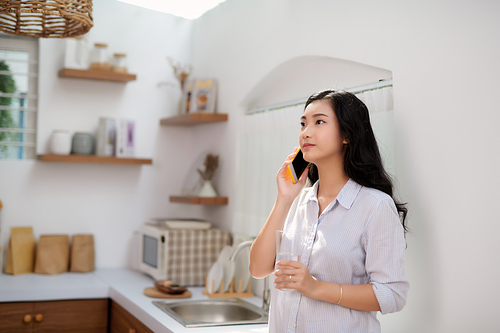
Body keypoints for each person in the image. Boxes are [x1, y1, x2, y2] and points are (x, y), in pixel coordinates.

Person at [249, 89, 409, 332]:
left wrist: (315, 287)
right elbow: (258, 269)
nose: (306, 132)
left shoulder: (375, 206)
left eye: (319, 122)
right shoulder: (297, 201)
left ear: (346, 134)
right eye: (303, 124)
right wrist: (283, 199)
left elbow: (392, 295)